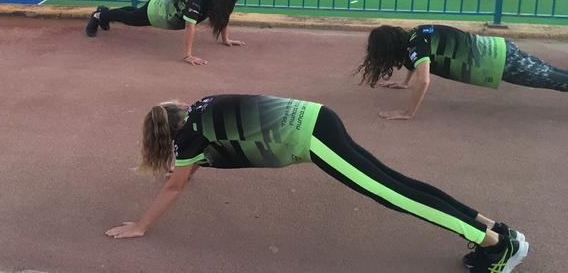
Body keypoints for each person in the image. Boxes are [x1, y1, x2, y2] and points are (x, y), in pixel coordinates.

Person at [105, 95, 529, 272]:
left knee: (389, 193)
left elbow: (175, 186)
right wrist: (182, 167)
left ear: (165, 136)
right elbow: (195, 165)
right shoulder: (201, 108)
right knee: (397, 181)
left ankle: (494, 245)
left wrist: (142, 226)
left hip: (310, 137)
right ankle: (497, 228)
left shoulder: (190, 138)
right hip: (318, 116)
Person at [357, 24, 568, 120]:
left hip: (497, 62)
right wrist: (405, 82)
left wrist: (407, 113)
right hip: (499, 47)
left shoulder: (415, 47)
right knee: (554, 74)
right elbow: (415, 60)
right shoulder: (417, 34)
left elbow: (425, 81)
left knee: (555, 80)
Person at [85, 0, 245, 65]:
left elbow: (224, 15)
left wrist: (226, 39)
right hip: (160, 12)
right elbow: (190, 26)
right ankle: (99, 15)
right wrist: (188, 56)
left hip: (168, 2)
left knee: (134, 12)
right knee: (130, 19)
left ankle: (104, 12)